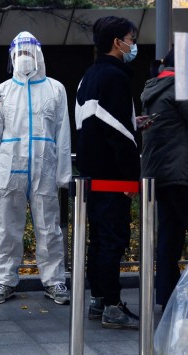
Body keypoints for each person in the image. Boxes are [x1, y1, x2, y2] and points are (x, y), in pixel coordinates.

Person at [0, 31, 72, 305]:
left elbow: (63, 133)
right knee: (7, 226)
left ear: (39, 55)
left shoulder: (55, 89)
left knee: (49, 227)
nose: (24, 57)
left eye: (28, 52)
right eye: (19, 52)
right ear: (12, 56)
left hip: (43, 166)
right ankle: (5, 279)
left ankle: (54, 280)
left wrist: (63, 174)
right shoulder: (2, 90)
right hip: (10, 167)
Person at [74, 16, 141, 330]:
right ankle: (113, 305)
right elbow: (118, 133)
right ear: (118, 42)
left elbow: (94, 125)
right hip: (113, 176)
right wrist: (132, 177)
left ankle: (98, 300)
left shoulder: (87, 77)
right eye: (130, 38)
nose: (132, 44)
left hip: (92, 173)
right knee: (113, 241)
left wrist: (134, 122)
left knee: (98, 241)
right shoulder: (116, 77)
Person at [140, 48, 188, 312]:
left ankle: (166, 295)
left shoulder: (154, 87)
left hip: (157, 173)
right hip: (179, 173)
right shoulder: (179, 87)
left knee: (169, 235)